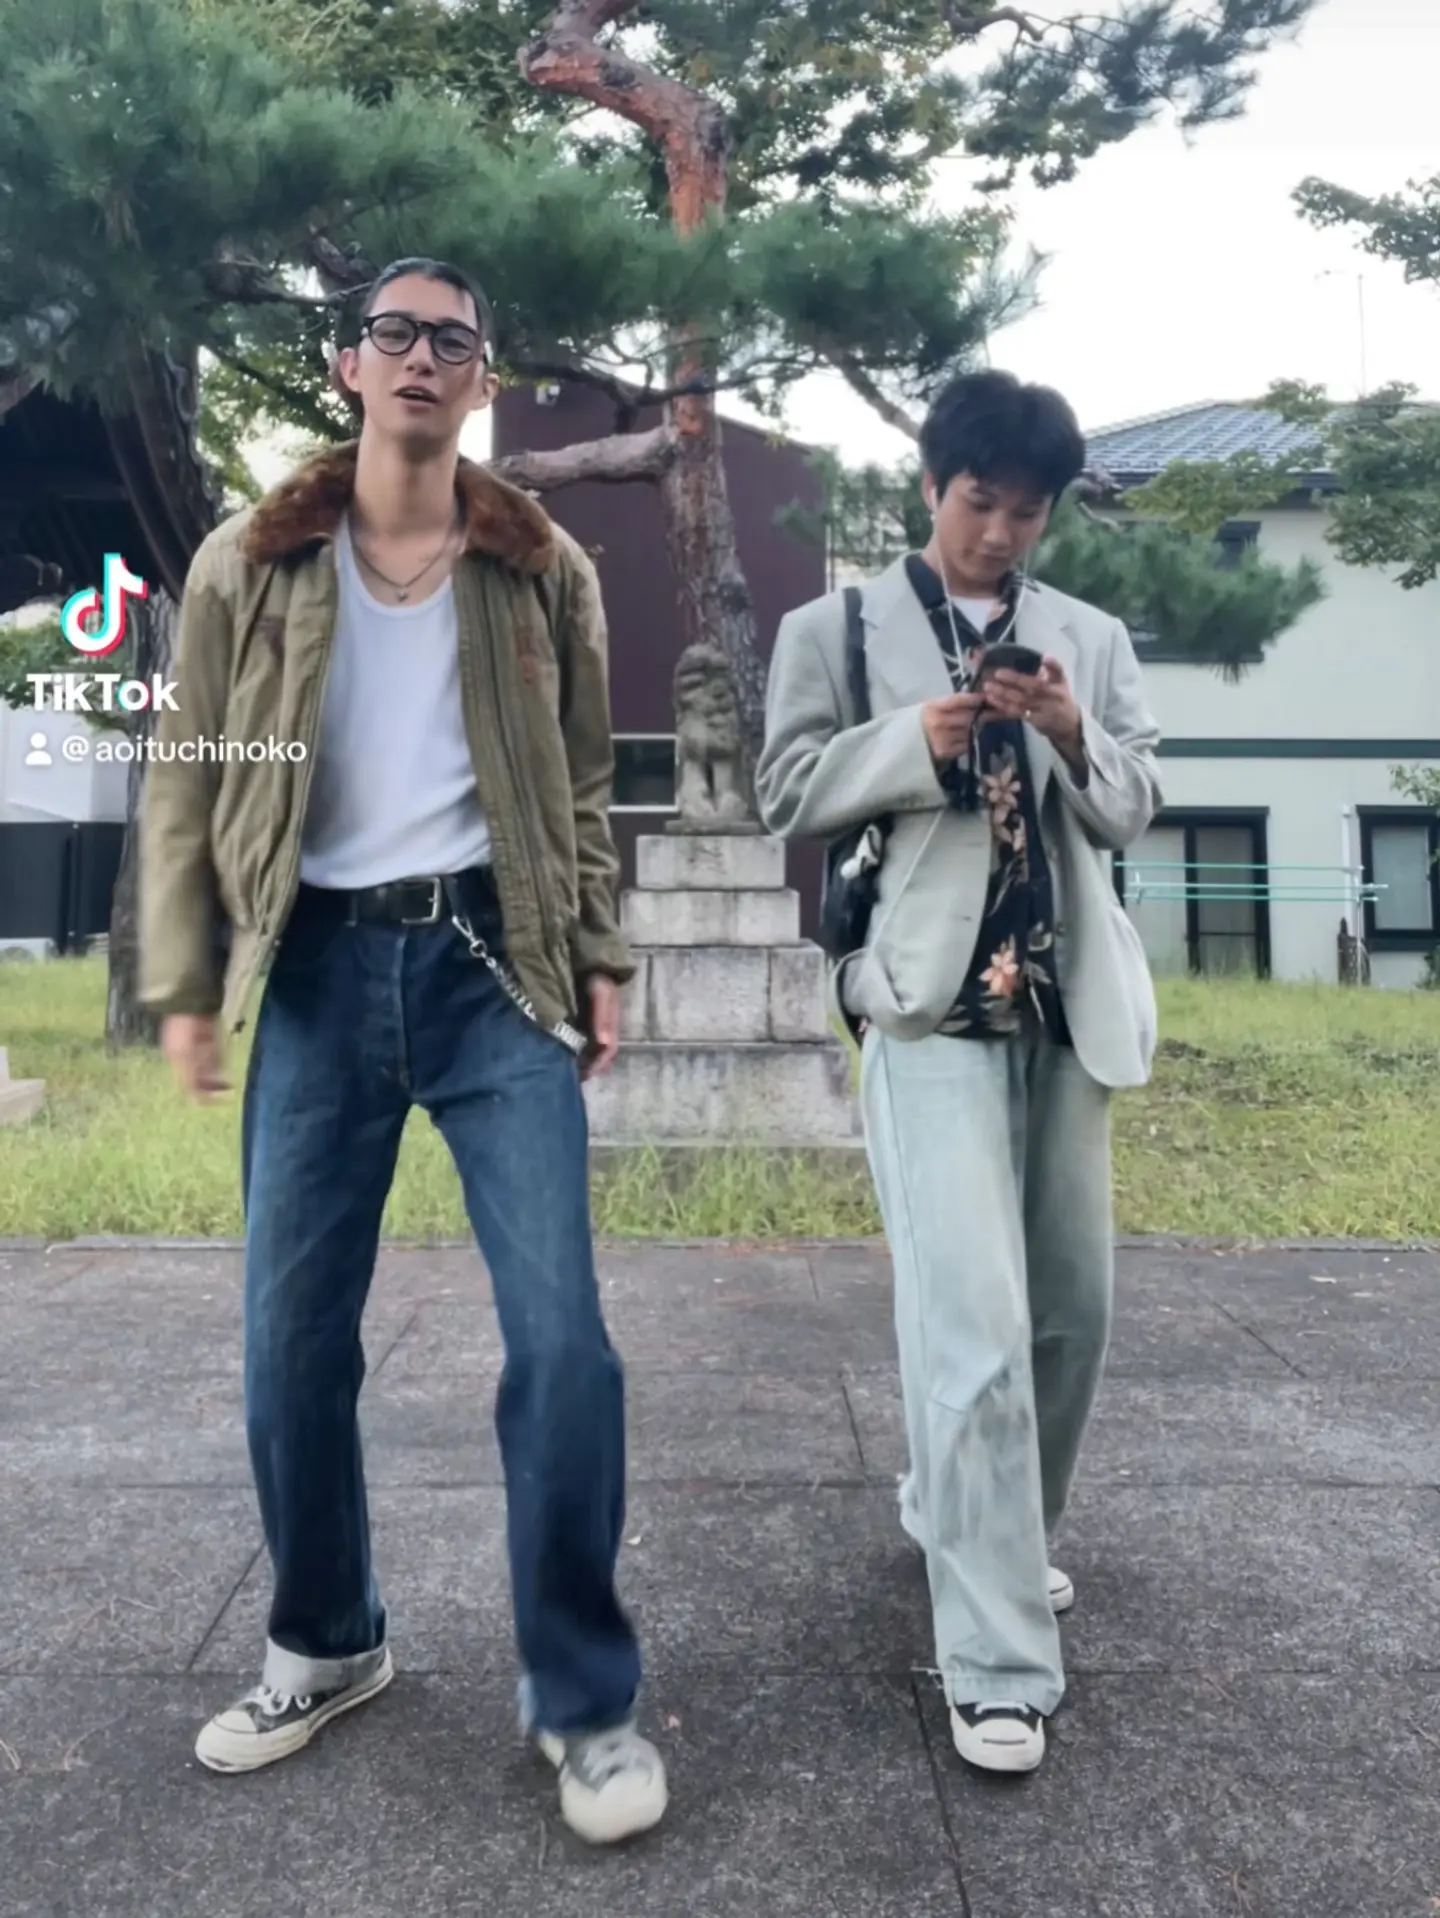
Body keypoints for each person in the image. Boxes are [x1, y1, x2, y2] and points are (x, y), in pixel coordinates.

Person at [137, 256, 667, 1844]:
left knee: (564, 1342)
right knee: (290, 1343)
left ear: (482, 376)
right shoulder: (250, 560)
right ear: (348, 366)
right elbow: (189, 771)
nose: (421, 357)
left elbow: (583, 779)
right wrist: (185, 975)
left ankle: (582, 1696)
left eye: (452, 339)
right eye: (394, 334)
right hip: (313, 969)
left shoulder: (540, 563)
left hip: (491, 968)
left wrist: (599, 955)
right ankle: (327, 1634)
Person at [754, 370, 1162, 1775]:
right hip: (927, 1012)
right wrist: (907, 743)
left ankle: (986, 1527)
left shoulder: (1089, 639)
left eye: (1027, 512)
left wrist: (1069, 731)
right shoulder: (835, 628)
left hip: (1066, 1009)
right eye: (979, 501)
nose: (999, 532)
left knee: (1071, 1320)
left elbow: (1137, 803)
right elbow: (785, 790)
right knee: (974, 1329)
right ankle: (994, 1660)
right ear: (931, 487)